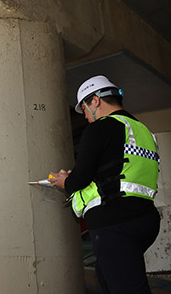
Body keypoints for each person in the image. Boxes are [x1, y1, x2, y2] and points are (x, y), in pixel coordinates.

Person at [49, 75, 160, 293]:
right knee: (108, 278)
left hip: (115, 223)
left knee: (126, 288)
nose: (86, 117)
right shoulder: (142, 131)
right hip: (146, 219)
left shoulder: (100, 128)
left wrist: (65, 181)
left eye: (84, 108)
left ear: (96, 101)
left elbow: (79, 179)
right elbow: (121, 169)